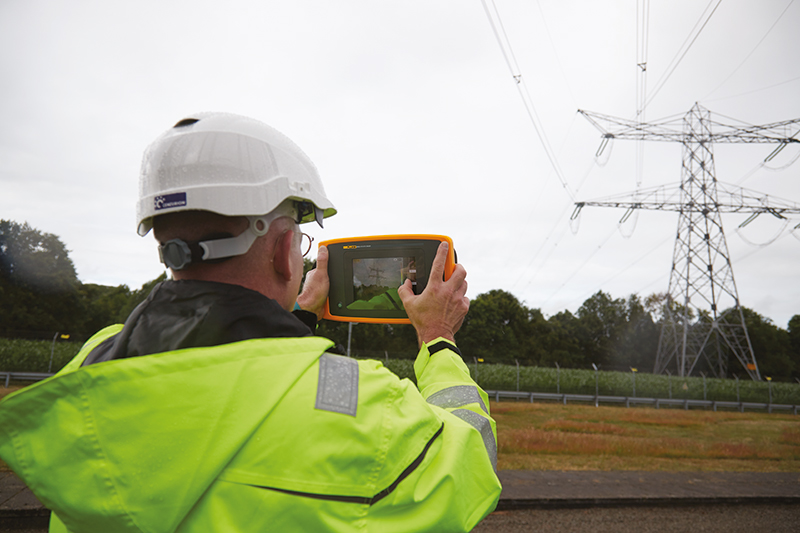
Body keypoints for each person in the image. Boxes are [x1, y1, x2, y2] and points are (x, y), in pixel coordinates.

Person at [0, 112, 501, 532]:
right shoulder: (365, 410)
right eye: (300, 240)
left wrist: (298, 313)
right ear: (287, 251)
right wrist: (437, 339)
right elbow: (470, 462)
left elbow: (235, 373)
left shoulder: (95, 364)